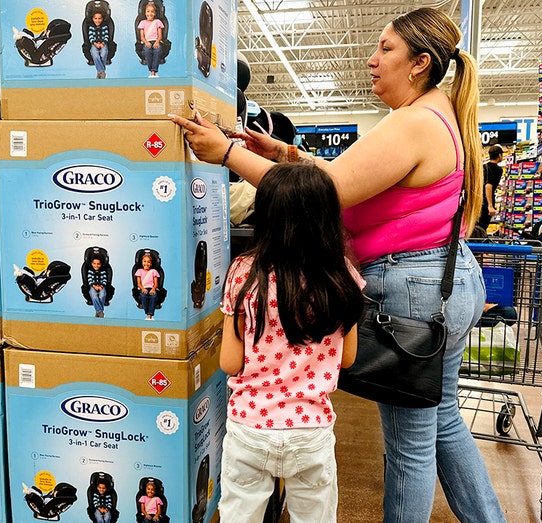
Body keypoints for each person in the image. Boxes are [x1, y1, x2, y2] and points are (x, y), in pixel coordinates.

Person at [171, 6, 506, 522]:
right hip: (442, 279)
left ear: (419, 63)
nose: (372, 61)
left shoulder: (415, 122)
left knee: (412, 445)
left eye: (385, 49)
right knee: (441, 423)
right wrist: (285, 153)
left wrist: (227, 155)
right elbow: (350, 174)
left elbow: (323, 195)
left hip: (413, 287)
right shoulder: (431, 115)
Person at [218, 162, 364, 522]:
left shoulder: (243, 272)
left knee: (239, 514)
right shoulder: (343, 275)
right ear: (328, 216)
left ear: (264, 214)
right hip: (310, 430)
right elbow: (348, 360)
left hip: (250, 426)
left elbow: (229, 362)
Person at [479, 144, 504, 231]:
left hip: (478, 200)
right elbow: (488, 186)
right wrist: (490, 205)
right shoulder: (497, 169)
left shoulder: (483, 167)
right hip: (486, 202)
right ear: (499, 155)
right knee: (481, 227)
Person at [137, 3, 164, 78]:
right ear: (145, 13)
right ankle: (151, 70)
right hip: (146, 41)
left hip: (155, 40)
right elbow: (142, 36)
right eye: (148, 11)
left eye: (152, 11)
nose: (150, 13)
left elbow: (160, 35)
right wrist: (146, 42)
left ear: (155, 13)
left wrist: (157, 42)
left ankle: (153, 72)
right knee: (147, 50)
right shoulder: (142, 23)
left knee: (158, 50)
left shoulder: (157, 22)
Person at [134, 254, 159, 320]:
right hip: (143, 288)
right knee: (144, 296)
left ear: (151, 264)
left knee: (153, 296)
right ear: (142, 263)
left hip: (151, 288)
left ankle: (149, 315)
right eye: (144, 261)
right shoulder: (139, 271)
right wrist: (142, 289)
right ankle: (148, 313)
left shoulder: (154, 271)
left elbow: (156, 284)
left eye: (148, 262)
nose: (146, 263)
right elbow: (138, 283)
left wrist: (153, 289)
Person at [88, 9, 110, 79]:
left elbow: (106, 36)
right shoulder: (91, 27)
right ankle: (102, 71)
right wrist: (95, 44)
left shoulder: (105, 27)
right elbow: (90, 37)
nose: (97, 20)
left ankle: (99, 72)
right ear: (93, 19)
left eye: (99, 18)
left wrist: (103, 43)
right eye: (96, 18)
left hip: (103, 43)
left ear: (102, 19)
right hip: (94, 44)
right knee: (95, 54)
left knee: (104, 53)